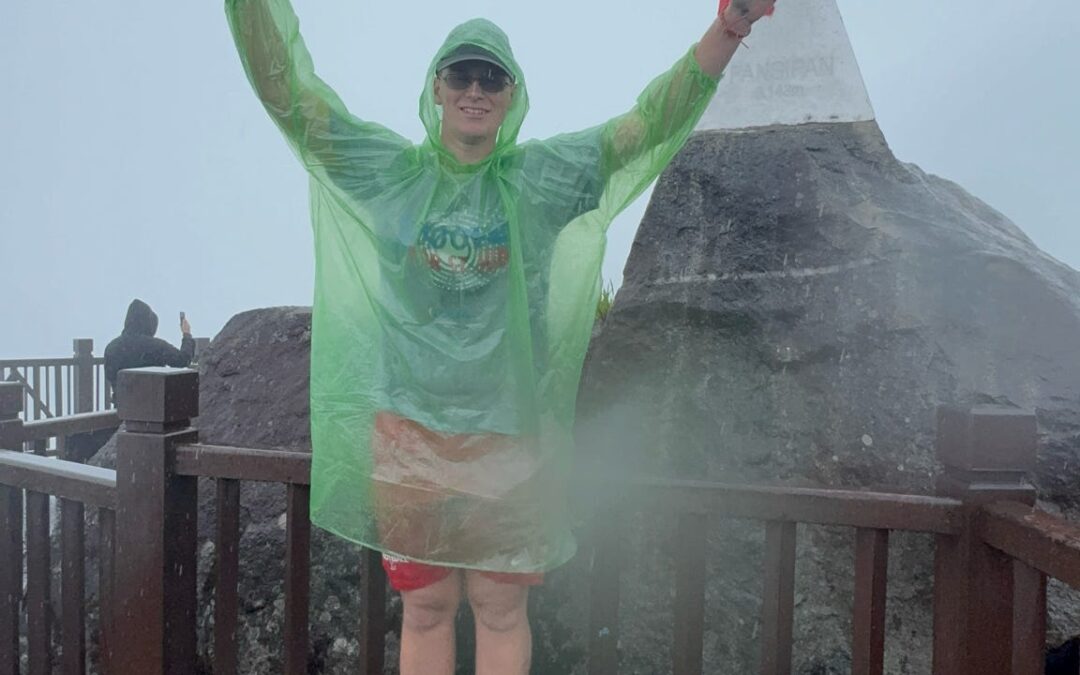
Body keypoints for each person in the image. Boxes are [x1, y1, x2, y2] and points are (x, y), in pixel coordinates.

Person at [226, 0, 776, 672]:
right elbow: (292, 99)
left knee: (499, 607)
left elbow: (646, 125)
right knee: (426, 610)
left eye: (492, 78)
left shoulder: (541, 180)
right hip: (409, 444)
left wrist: (728, 28)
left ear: (513, 94)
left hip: (511, 440)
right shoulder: (390, 175)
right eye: (462, 76)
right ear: (436, 88)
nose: (476, 92)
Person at [103, 299, 195, 388]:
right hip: (154, 402)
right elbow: (182, 360)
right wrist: (186, 334)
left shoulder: (112, 348)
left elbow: (110, 376)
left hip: (122, 402)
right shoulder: (156, 346)